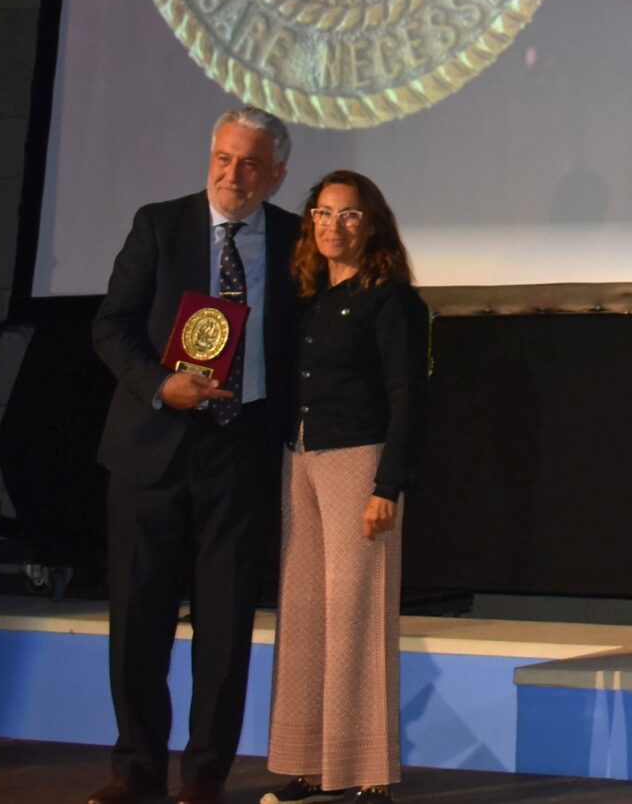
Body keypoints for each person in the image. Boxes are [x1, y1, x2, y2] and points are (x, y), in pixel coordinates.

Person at [90, 107, 303, 804]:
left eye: (249, 164)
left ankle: (205, 775)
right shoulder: (160, 225)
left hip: (241, 447)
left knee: (226, 623)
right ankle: (135, 770)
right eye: (222, 159)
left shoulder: (294, 240)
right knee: (138, 618)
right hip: (150, 446)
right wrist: (161, 384)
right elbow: (111, 327)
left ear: (276, 174)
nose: (231, 175)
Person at [260, 170, 430, 804]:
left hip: (360, 463)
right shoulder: (306, 299)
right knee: (304, 614)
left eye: (350, 214)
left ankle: (368, 773)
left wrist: (389, 484)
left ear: (372, 224)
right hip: (300, 458)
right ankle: (308, 765)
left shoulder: (391, 300)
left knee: (358, 614)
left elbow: (409, 397)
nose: (335, 225)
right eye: (324, 214)